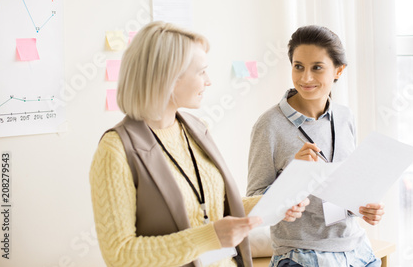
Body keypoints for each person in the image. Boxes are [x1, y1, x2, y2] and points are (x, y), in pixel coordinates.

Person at [89, 21, 309, 267]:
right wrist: (210, 236)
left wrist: (274, 203)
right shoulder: (116, 150)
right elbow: (120, 254)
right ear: (169, 78)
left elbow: (217, 208)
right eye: (201, 71)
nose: (209, 81)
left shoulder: (196, 128)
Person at [246, 25, 385, 267]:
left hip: (359, 250)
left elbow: (347, 186)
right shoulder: (269, 125)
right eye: (298, 66)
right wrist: (294, 175)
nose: (305, 78)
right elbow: (254, 202)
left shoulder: (345, 116)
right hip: (301, 256)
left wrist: (364, 207)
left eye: (317, 68)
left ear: (338, 71)